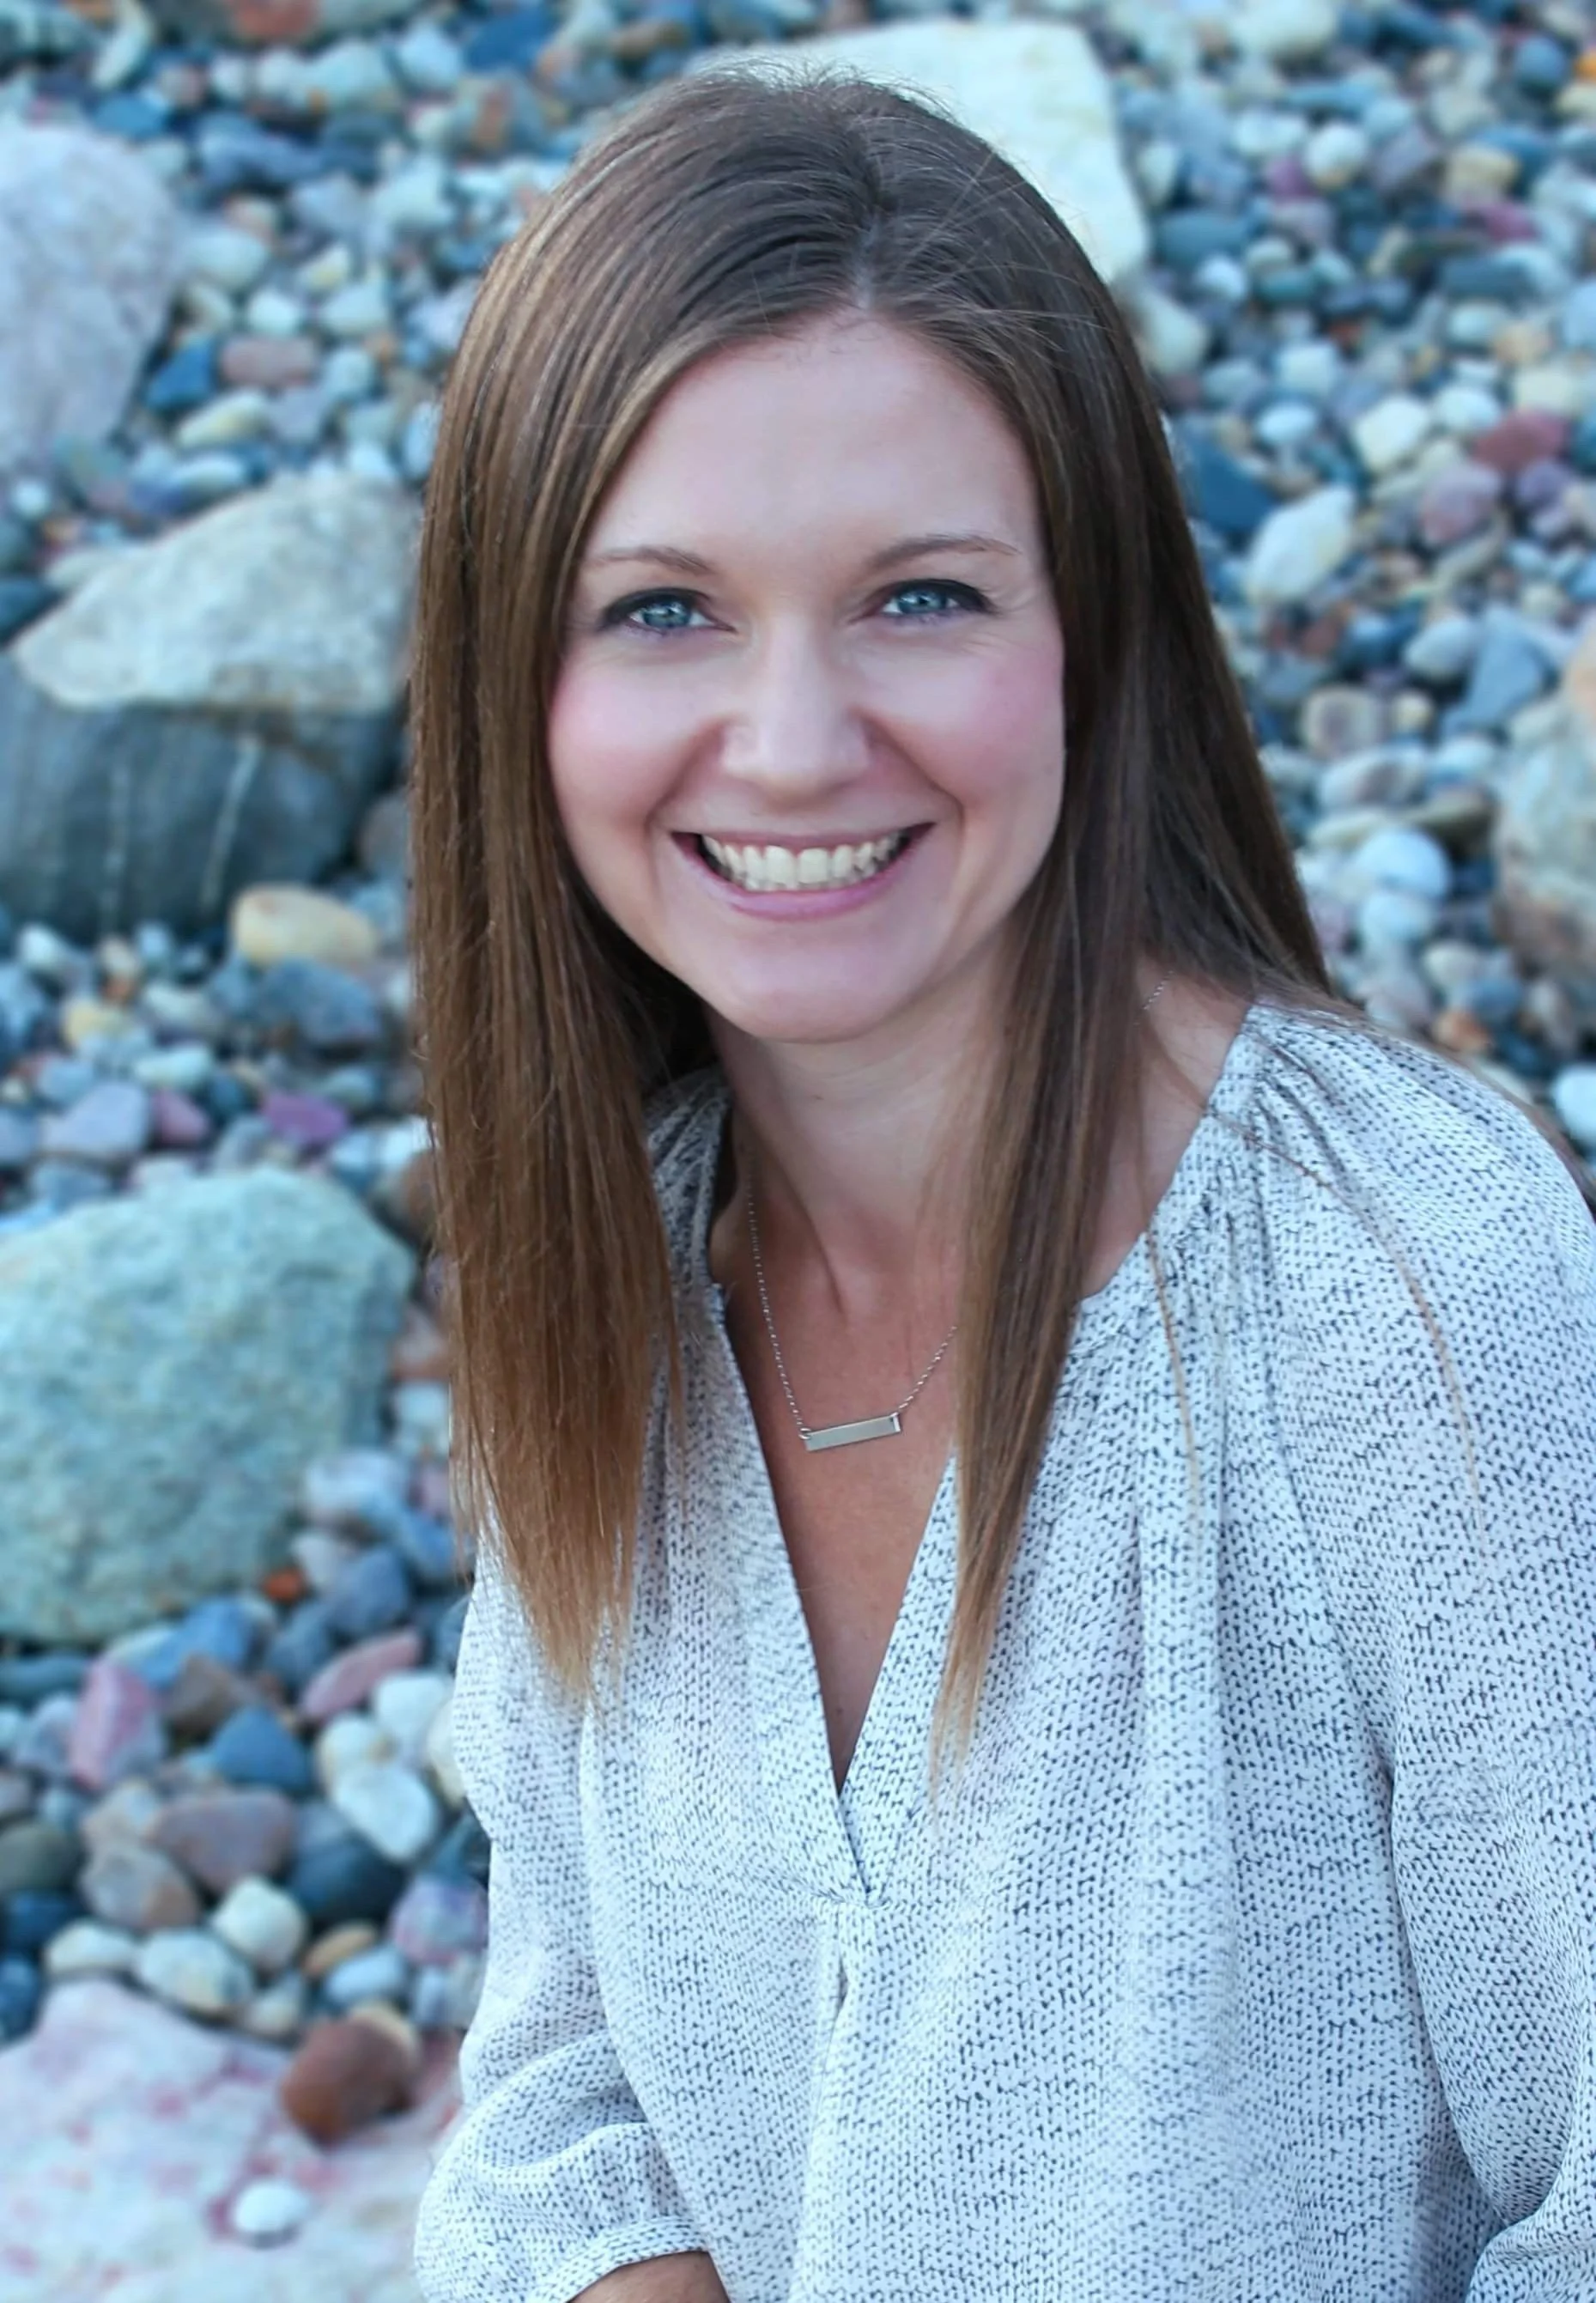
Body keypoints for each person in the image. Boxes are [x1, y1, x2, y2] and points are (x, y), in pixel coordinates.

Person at [407, 63, 1596, 2303]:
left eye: (920, 597)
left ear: (1097, 642)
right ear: (518, 683)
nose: (788, 741)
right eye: (663, 611)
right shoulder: (617, 1260)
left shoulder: (1413, 1295)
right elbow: (566, 2104)